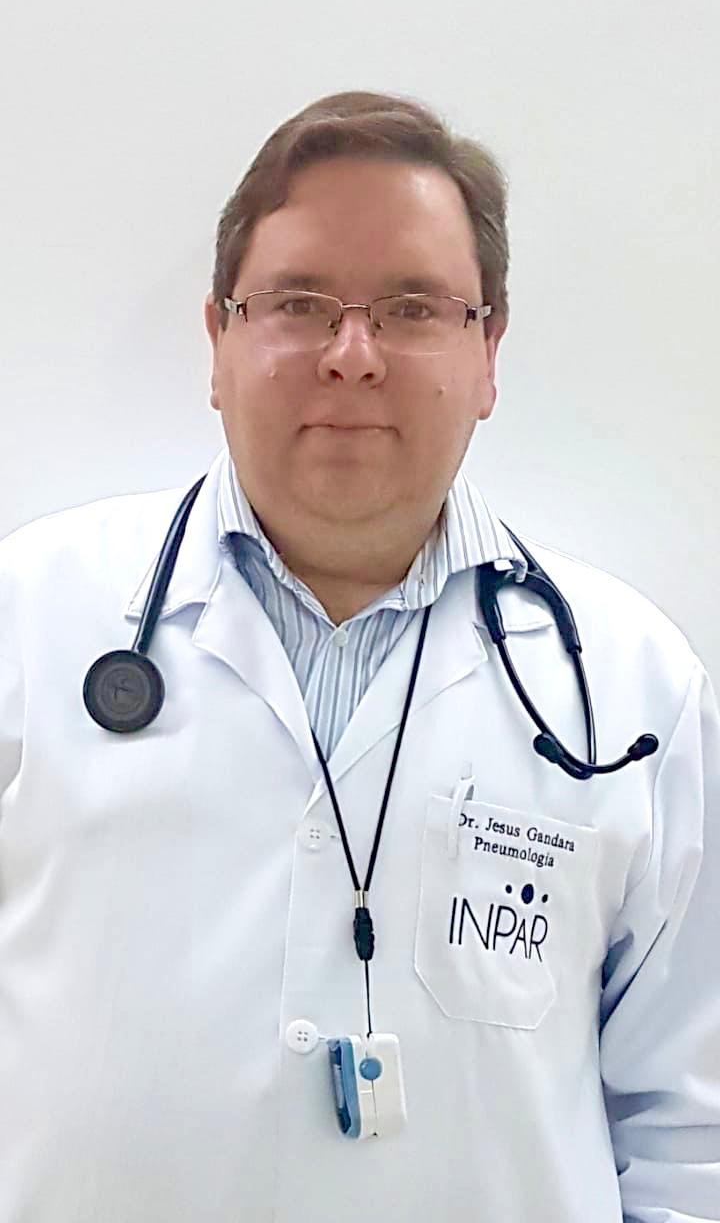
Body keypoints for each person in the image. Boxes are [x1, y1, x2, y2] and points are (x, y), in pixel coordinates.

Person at [0, 89, 718, 1223]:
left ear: (488, 353)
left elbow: (692, 1132)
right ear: (218, 342)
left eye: (413, 308)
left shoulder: (631, 689)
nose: (352, 354)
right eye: (298, 303)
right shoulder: (30, 618)